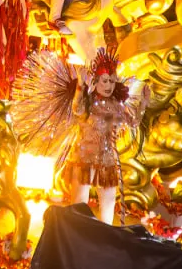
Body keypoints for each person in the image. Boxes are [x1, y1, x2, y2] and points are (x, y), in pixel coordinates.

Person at [13, 48, 147, 225]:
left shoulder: (116, 105)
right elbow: (77, 110)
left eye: (112, 81)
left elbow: (133, 122)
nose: (109, 86)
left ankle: (105, 235)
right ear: (96, 81)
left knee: (108, 203)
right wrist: (80, 86)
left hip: (107, 162)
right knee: (79, 206)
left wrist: (143, 103)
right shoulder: (88, 101)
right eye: (105, 81)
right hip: (84, 160)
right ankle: (77, 234)